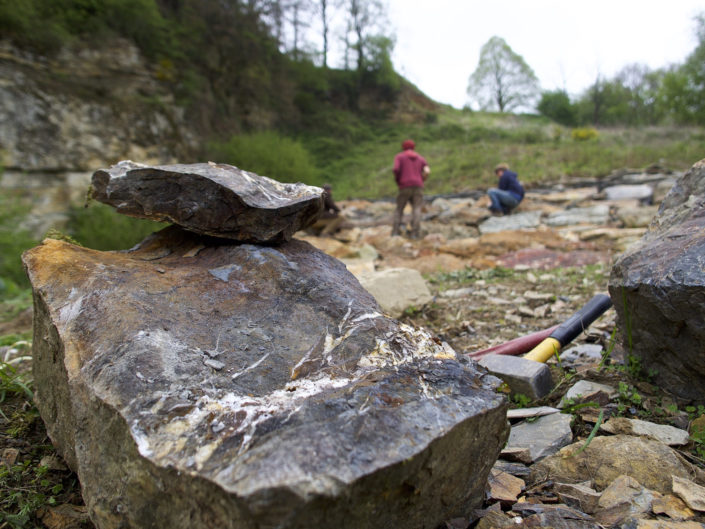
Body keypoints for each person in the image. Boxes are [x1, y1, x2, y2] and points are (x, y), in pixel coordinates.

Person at [392, 139, 430, 238]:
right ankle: (415, 233)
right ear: (413, 147)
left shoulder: (399, 157)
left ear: (403, 147)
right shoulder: (421, 158)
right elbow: (427, 171)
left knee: (399, 208)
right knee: (417, 208)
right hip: (418, 186)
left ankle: (395, 232)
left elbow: (395, 169)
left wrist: (398, 180)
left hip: (404, 185)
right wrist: (422, 179)